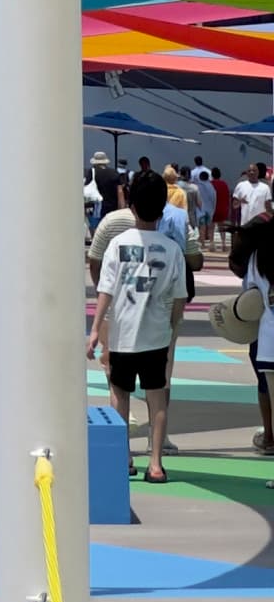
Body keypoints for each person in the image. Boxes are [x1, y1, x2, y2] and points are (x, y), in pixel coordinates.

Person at [90, 168, 189, 483]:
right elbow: (178, 298)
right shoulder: (172, 249)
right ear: (163, 208)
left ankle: (124, 458)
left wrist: (95, 330)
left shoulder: (117, 245)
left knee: (119, 394)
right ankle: (156, 463)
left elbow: (105, 290)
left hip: (122, 335)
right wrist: (171, 326)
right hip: (156, 334)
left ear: (131, 205)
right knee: (156, 397)